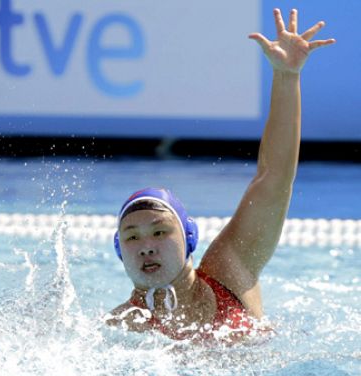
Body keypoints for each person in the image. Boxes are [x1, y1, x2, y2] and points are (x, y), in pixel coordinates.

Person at [105, 9, 335, 341]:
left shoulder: (230, 269)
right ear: (119, 251)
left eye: (159, 232)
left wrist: (287, 76)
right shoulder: (121, 328)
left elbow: (274, 179)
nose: (146, 247)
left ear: (190, 239)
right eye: (131, 237)